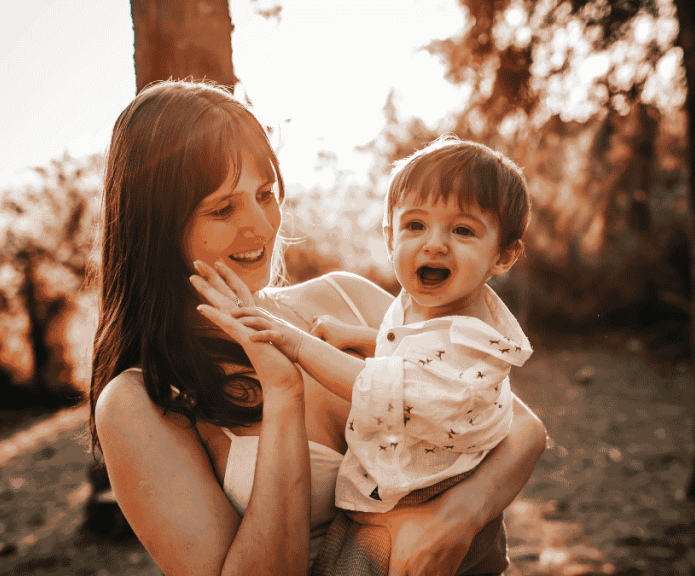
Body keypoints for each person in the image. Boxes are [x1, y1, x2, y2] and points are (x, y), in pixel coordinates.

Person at [88, 79, 548, 576]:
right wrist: (283, 391)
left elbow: (521, 427)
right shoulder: (140, 401)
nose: (261, 226)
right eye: (223, 208)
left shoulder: (346, 299)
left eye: (265, 194)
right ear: (156, 225)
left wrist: (451, 521)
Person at [226, 136, 534, 575]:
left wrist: (296, 342)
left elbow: (383, 386)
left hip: (427, 494)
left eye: (462, 230)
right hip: (412, 488)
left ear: (503, 255)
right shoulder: (431, 308)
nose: (434, 244)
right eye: (415, 225)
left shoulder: (476, 336)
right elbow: (415, 353)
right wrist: (357, 334)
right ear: (389, 234)